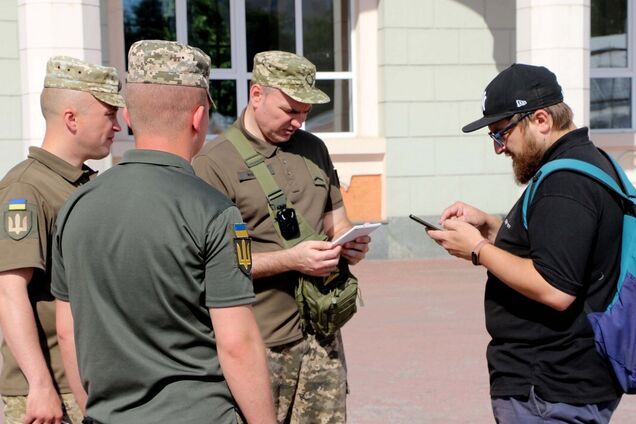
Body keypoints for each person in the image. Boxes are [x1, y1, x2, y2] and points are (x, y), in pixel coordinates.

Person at [50, 40, 275, 424]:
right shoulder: (215, 212)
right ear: (199, 118)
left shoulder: (75, 206)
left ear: (132, 118)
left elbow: (68, 332)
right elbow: (237, 343)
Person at [428, 64, 623, 423]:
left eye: (501, 134)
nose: (499, 149)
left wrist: (478, 250)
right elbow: (559, 245)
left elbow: (555, 288)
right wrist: (490, 226)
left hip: (548, 387)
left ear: (541, 120)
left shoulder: (565, 182)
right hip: (565, 380)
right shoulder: (589, 163)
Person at [192, 50, 370, 423]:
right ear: (257, 95)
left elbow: (336, 220)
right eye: (290, 109)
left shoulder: (314, 148)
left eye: (305, 111)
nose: (299, 120)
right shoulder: (214, 162)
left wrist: (349, 242)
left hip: (321, 333)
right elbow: (214, 264)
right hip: (259, 341)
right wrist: (292, 259)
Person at [0, 56, 124, 424]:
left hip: (91, 380)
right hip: (52, 392)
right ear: (72, 119)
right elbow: (9, 292)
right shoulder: (26, 189)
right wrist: (39, 385)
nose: (117, 126)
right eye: (108, 115)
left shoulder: (86, 184)